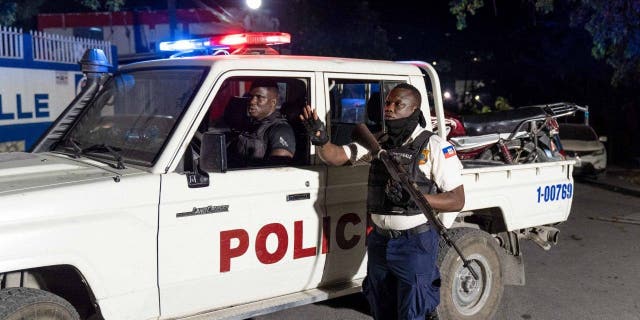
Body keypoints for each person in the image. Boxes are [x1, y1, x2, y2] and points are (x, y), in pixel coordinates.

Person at [300, 83, 465, 320]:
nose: (389, 108)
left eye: (399, 104)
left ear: (414, 109)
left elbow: (456, 199)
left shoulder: (435, 146)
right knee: (380, 306)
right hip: (380, 241)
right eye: (388, 103)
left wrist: (417, 197)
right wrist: (321, 140)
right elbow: (336, 157)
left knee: (413, 311)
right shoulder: (378, 142)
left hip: (415, 243)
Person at [227, 80, 296, 167]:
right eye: (250, 96)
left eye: (259, 97)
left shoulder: (280, 129)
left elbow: (279, 171)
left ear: (273, 102)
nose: (252, 101)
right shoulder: (250, 125)